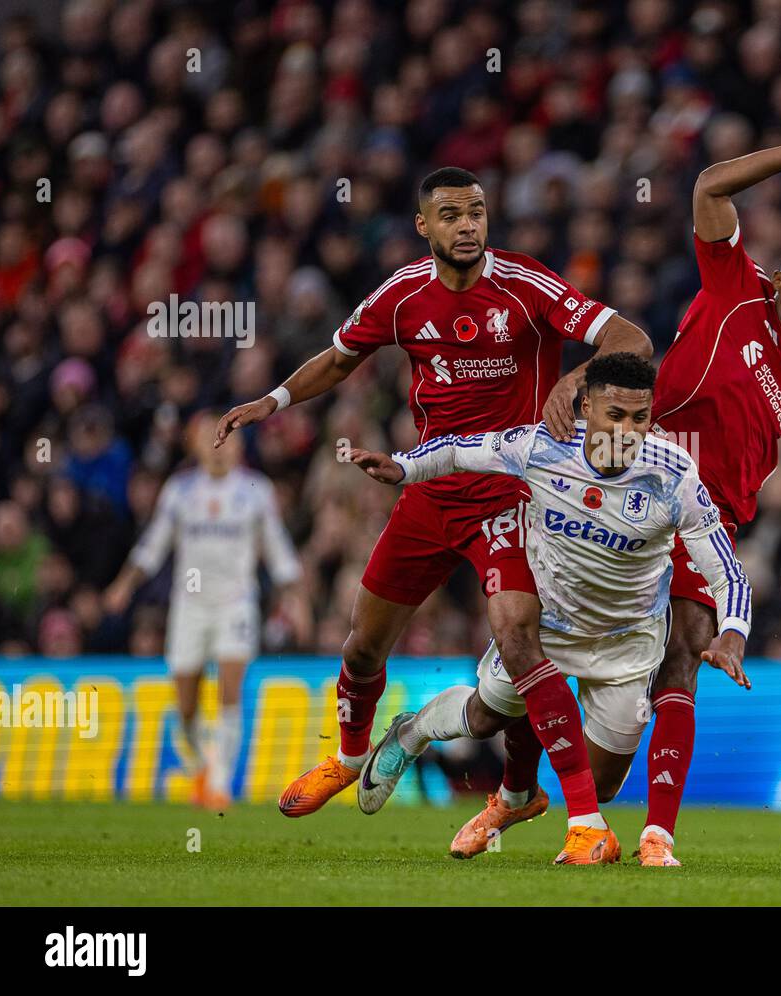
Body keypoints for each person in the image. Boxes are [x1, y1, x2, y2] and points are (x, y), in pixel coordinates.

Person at [444, 100, 781, 866]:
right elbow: (709, 185)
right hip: (619, 495)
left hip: (698, 525)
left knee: (680, 667)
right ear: (780, 280)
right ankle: (515, 789)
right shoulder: (737, 286)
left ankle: (655, 837)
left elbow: (740, 465)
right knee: (510, 679)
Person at [214, 167, 651, 822]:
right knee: (363, 644)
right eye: (451, 214)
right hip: (429, 491)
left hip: (515, 497)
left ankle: (570, 814)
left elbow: (632, 339)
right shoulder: (403, 296)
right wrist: (271, 400)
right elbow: (338, 358)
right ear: (424, 226)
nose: (468, 224)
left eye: (476, 211)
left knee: (519, 638)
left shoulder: (526, 284)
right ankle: (351, 756)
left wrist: (577, 382)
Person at [346, 352, 751, 865]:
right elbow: (457, 450)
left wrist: (733, 632)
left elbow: (726, 571)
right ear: (585, 407)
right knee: (482, 717)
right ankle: (415, 730)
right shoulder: (540, 447)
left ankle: (534, 801)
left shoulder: (673, 475)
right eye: (614, 415)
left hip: (627, 643)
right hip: (551, 629)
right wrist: (404, 467)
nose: (627, 431)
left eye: (640, 418)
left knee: (603, 784)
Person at [103, 411, 308, 809]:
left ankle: (219, 784)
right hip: (190, 605)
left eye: (226, 439)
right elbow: (153, 545)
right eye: (209, 439)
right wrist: (123, 586)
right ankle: (200, 765)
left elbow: (277, 549)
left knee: (230, 690)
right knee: (186, 705)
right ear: (194, 446)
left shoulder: (255, 491)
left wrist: (295, 598)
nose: (219, 447)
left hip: (236, 604)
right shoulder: (179, 491)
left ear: (239, 447)